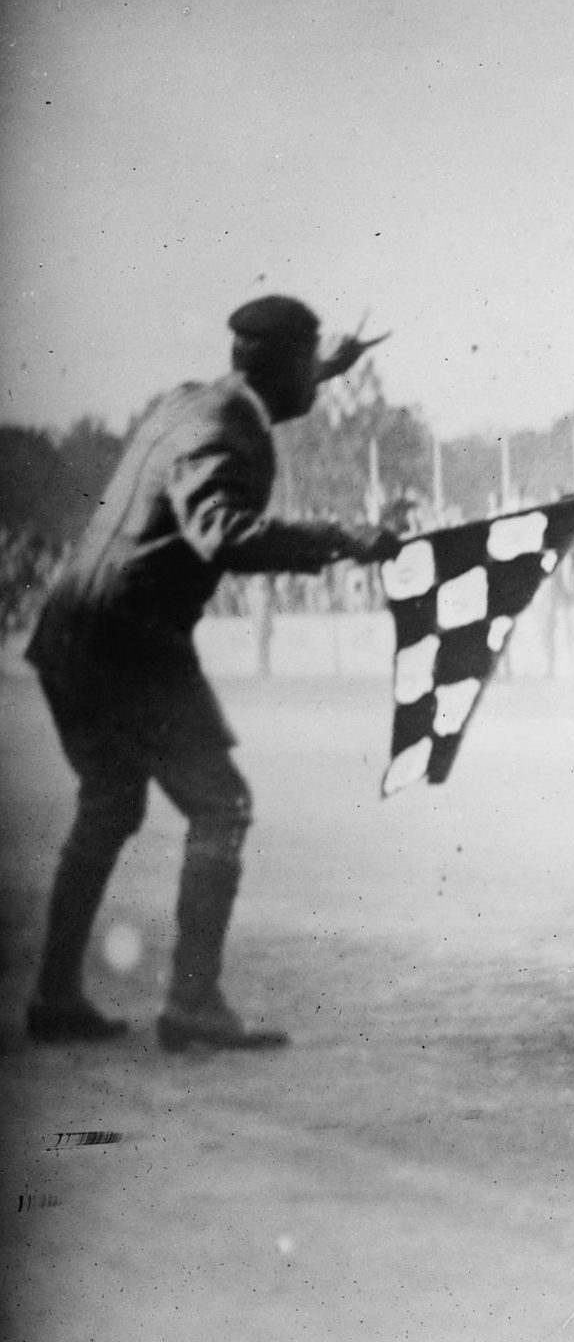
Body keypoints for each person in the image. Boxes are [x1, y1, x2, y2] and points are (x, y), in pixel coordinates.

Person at [25, 296, 397, 1049]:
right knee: (220, 806)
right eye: (312, 365)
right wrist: (342, 539)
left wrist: (331, 363)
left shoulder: (197, 401)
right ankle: (193, 1005)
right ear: (282, 366)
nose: (318, 384)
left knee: (108, 805)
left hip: (72, 631)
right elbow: (220, 533)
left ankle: (55, 997)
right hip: (131, 643)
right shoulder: (225, 428)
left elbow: (267, 398)